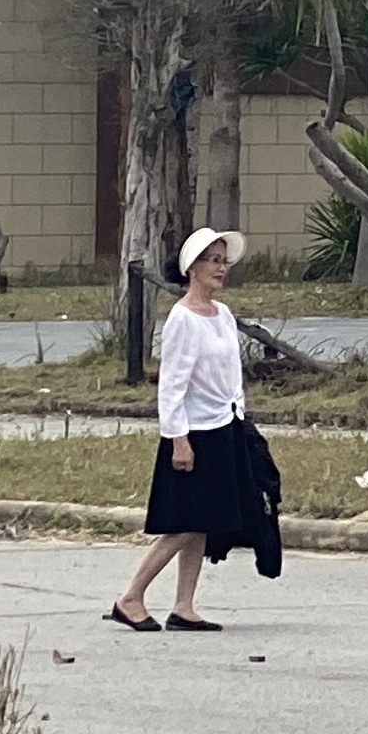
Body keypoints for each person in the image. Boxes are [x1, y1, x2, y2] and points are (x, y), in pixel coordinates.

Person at [108, 227, 272, 633]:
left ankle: (184, 605)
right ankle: (130, 597)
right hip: (194, 433)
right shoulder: (182, 319)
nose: (220, 268)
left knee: (202, 520)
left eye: (223, 261)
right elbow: (172, 385)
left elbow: (231, 374)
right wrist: (177, 439)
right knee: (182, 523)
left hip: (224, 426)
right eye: (212, 261)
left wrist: (240, 419)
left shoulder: (223, 315)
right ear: (192, 269)